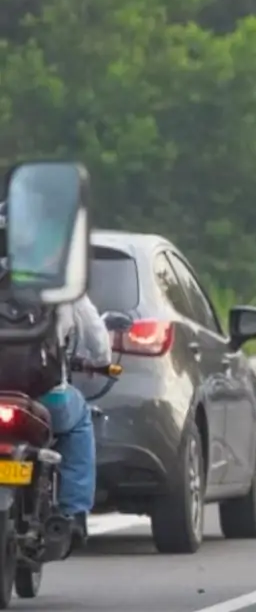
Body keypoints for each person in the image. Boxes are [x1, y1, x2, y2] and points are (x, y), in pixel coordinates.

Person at [0, 200, 112, 552]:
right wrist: (100, 360)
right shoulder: (56, 279)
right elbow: (97, 339)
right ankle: (73, 514)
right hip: (44, 397)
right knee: (79, 422)